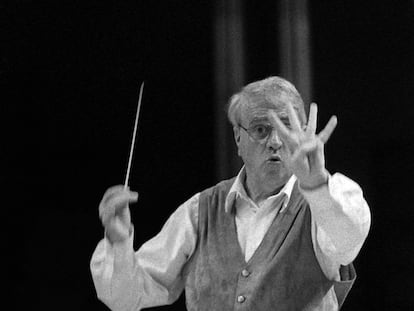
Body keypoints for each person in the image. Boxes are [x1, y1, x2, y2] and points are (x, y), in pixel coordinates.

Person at [90, 76, 371, 310]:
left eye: (286, 129)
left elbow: (347, 241)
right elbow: (125, 298)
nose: (275, 142)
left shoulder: (326, 199)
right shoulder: (200, 210)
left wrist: (316, 185)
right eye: (261, 129)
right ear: (238, 138)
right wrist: (119, 243)